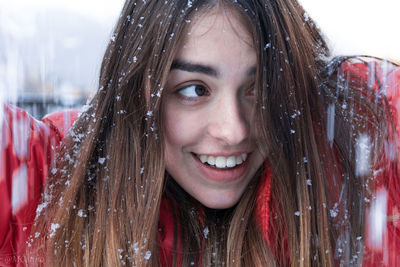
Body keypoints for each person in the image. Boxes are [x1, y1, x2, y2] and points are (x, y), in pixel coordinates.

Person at [1, 0, 399, 266]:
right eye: (194, 89)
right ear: (139, 93)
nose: (234, 130)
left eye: (260, 88)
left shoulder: (357, 151)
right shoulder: (44, 181)